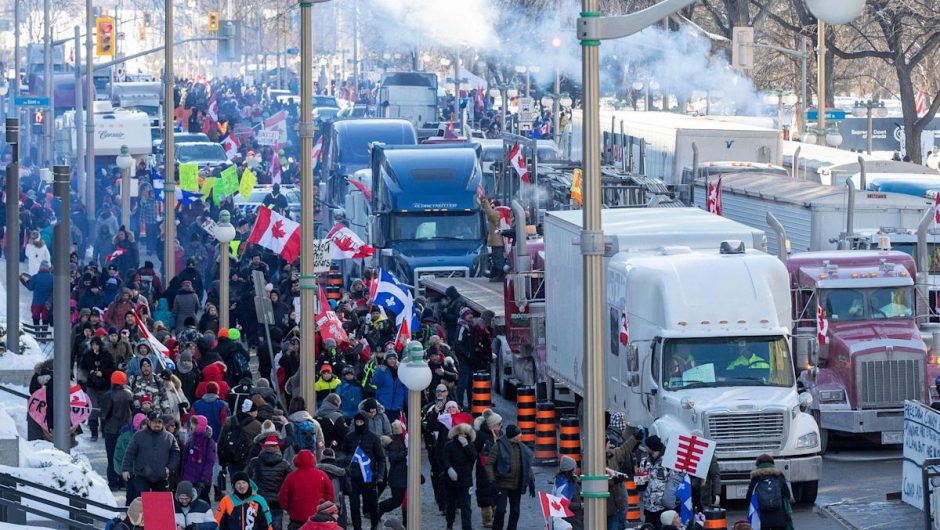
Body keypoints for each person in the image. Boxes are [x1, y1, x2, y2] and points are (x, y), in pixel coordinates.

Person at [121, 411, 182, 499]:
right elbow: (130, 452)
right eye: (154, 422)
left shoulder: (169, 437)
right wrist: (125, 469)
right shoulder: (138, 436)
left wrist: (169, 468)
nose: (157, 424)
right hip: (142, 476)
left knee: (160, 503)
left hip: (161, 476)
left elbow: (176, 453)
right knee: (141, 502)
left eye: (159, 422)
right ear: (149, 422)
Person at [486, 424, 535, 530]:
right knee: (501, 510)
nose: (521, 435)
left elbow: (526, 464)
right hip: (502, 484)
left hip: (516, 485)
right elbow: (489, 464)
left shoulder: (521, 447)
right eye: (519, 434)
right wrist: (492, 480)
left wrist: (531, 478)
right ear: (513, 436)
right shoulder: (498, 446)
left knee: (515, 511)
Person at [342, 412, 386, 530]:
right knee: (354, 506)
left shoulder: (374, 438)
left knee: (373, 506)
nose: (359, 424)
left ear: (365, 423)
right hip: (353, 478)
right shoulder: (349, 437)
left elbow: (381, 458)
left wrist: (380, 475)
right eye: (357, 422)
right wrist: (345, 470)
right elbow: (344, 455)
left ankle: (374, 526)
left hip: (369, 477)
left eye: (361, 422)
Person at [278, 449, 336, 530]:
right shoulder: (321, 475)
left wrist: (289, 509)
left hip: (296, 517)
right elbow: (330, 494)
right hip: (317, 517)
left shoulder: (291, 477)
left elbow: (283, 497)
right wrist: (324, 508)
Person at [247, 435, 292, 530]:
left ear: (263, 448)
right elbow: (290, 483)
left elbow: (247, 479)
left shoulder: (254, 462)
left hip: (258, 499)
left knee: (258, 525)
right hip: (276, 501)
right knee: (276, 525)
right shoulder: (284, 464)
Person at [100, 370, 134, 489]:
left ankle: (113, 483)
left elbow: (104, 414)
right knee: (124, 456)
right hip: (126, 430)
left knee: (112, 457)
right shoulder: (129, 394)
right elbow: (133, 411)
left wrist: (102, 428)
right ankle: (124, 482)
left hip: (111, 430)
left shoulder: (108, 395)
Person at [81, 336, 117, 441]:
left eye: (96, 344)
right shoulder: (87, 355)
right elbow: (82, 368)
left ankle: (105, 431)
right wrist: (90, 372)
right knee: (93, 408)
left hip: (105, 385)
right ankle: (94, 432)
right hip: (92, 385)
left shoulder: (107, 355)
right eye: (93, 345)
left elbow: (113, 368)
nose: (94, 347)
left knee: (104, 409)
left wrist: (103, 373)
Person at [218, 399, 263, 483]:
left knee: (235, 483)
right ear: (250, 412)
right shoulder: (257, 425)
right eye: (255, 410)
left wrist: (222, 462)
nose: (257, 413)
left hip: (232, 458)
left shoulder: (229, 421)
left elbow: (221, 442)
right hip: (248, 460)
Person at [444, 422, 478, 530]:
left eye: (464, 433)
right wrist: (449, 469)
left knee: (466, 506)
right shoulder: (449, 445)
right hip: (451, 480)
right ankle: (449, 525)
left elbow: (473, 457)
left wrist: (465, 445)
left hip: (466, 480)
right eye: (460, 433)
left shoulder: (470, 445)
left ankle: (467, 527)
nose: (462, 435)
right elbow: (444, 459)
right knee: (451, 504)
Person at [744, 454, 793, 530]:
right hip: (779, 518)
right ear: (772, 463)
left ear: (758, 465)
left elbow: (749, 498)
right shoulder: (779, 476)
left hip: (762, 519)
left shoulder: (756, 478)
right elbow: (787, 495)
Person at [474, 409, 501, 529]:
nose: (500, 427)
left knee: (495, 493)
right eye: (498, 424)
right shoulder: (481, 436)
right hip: (483, 469)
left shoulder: (499, 435)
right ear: (492, 425)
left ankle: (494, 515)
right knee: (485, 493)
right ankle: (487, 519)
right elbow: (475, 452)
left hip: (496, 470)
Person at [181, 415, 217, 504]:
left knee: (202, 504)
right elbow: (185, 459)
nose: (191, 426)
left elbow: (210, 462)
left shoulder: (209, 442)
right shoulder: (191, 440)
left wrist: (204, 479)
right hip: (189, 478)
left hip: (202, 481)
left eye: (194, 424)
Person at [377, 420, 407, 521]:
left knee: (406, 501)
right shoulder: (394, 443)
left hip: (403, 477)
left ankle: (406, 522)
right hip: (398, 478)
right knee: (396, 501)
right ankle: (378, 509)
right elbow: (393, 458)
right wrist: (405, 453)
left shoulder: (404, 441)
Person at [372, 351, 406, 423]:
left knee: (396, 428)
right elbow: (377, 383)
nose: (392, 360)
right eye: (390, 358)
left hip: (397, 405)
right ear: (386, 360)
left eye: (394, 358)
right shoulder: (380, 369)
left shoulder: (401, 370)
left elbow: (404, 387)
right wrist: (380, 372)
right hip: (384, 405)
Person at [553, 456, 583, 530]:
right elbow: (564, 503)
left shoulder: (560, 480)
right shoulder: (567, 484)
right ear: (571, 469)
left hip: (570, 519)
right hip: (571, 520)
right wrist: (580, 505)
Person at [22, 261, 53, 325]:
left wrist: (27, 282)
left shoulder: (35, 277)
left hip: (36, 302)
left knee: (36, 317)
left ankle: (37, 333)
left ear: (40, 268)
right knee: (45, 318)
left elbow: (30, 288)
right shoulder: (52, 277)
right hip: (47, 303)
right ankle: (44, 333)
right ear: (48, 268)